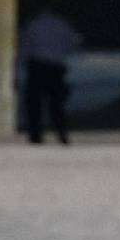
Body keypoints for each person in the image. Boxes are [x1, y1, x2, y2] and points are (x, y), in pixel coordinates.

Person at [18, 7, 80, 144]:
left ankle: (36, 136)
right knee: (56, 104)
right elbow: (72, 44)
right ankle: (61, 133)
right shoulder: (62, 24)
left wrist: (22, 63)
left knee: (34, 104)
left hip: (37, 66)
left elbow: (24, 45)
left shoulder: (33, 24)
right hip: (55, 67)